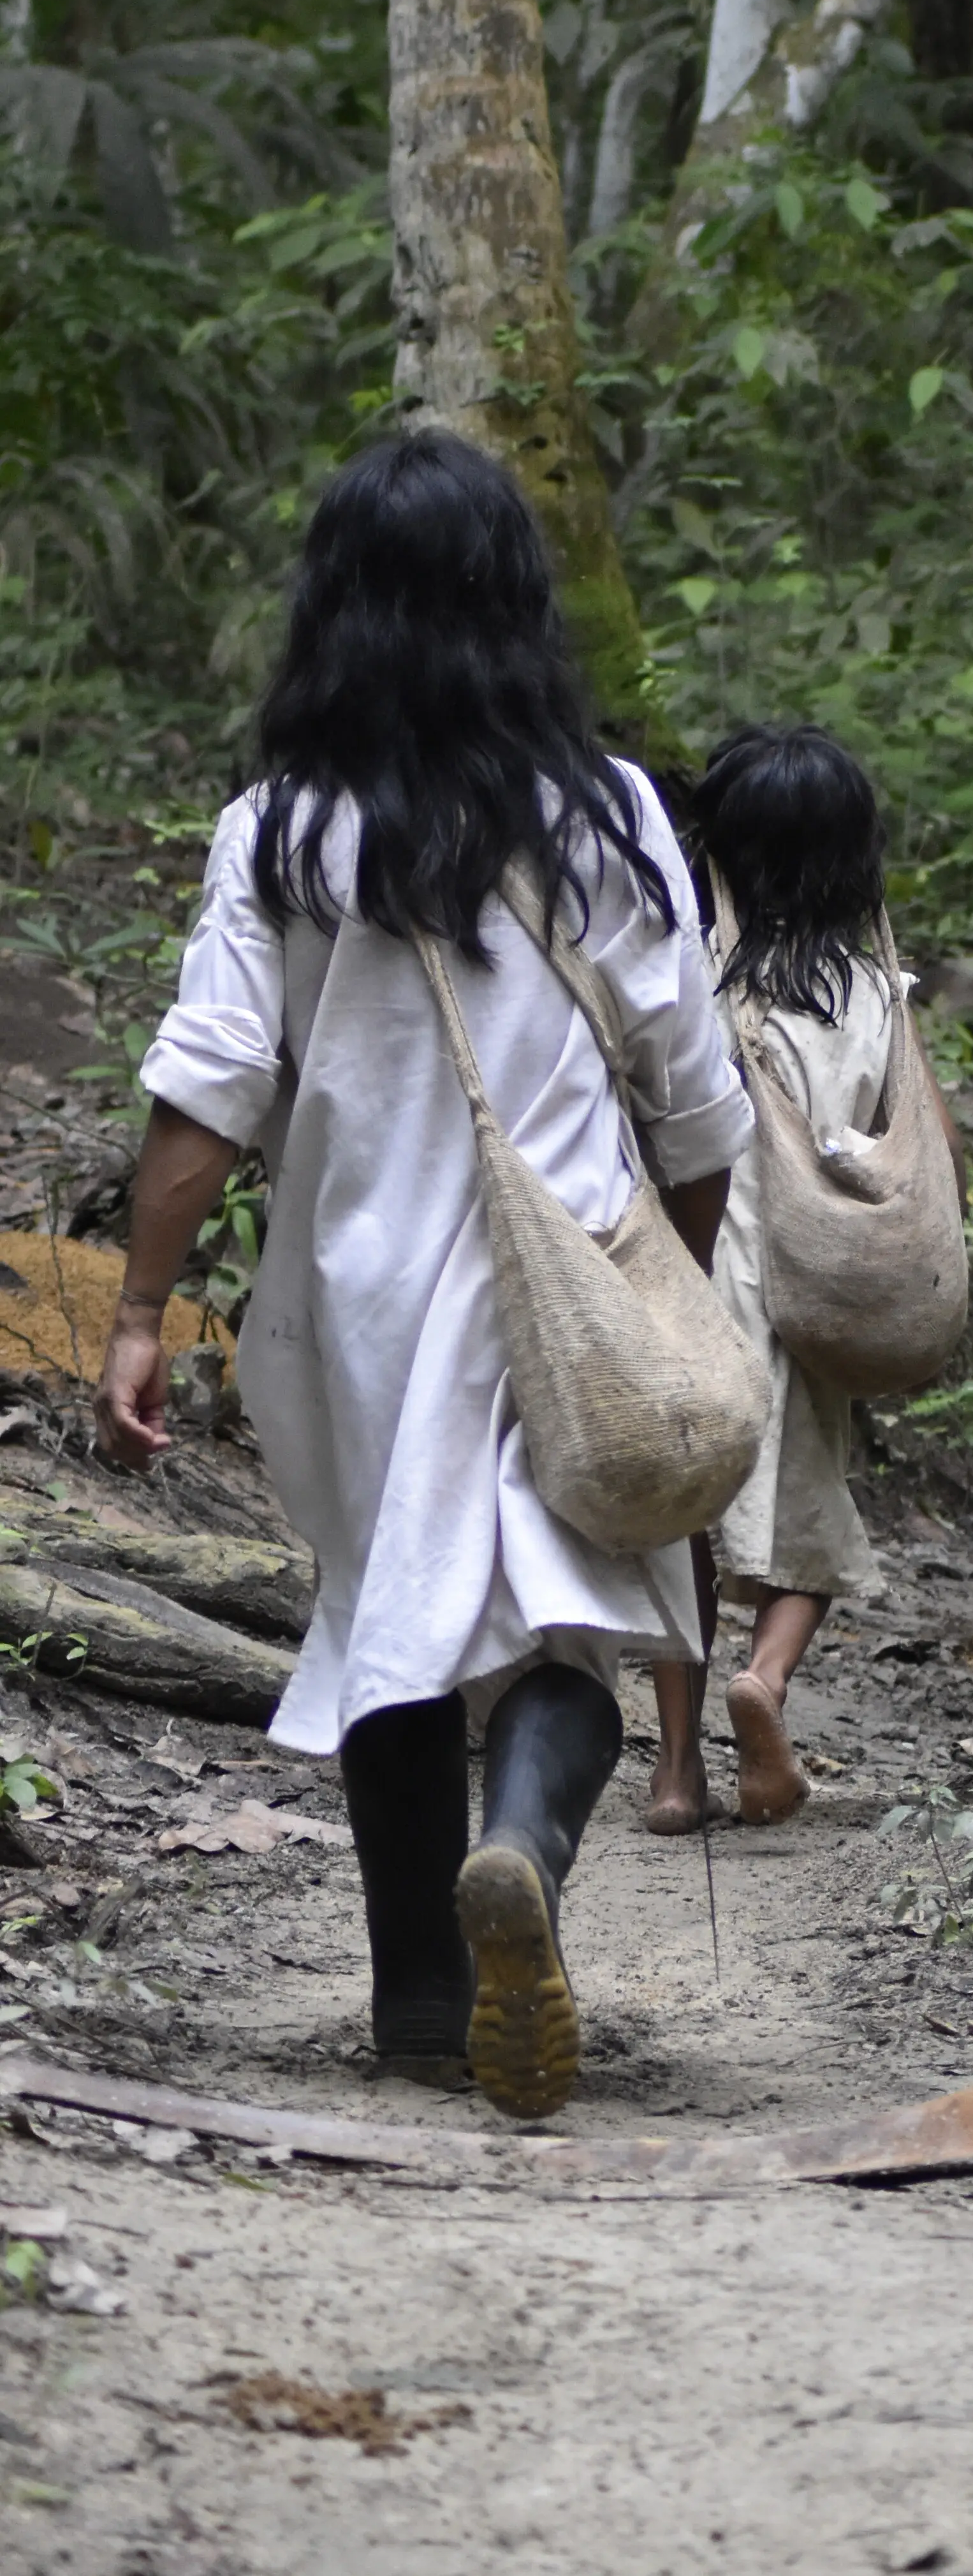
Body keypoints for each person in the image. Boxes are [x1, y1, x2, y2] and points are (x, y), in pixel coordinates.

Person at [92, 432, 754, 2121]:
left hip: (359, 1295)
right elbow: (694, 1097)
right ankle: (523, 1842)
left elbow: (206, 1098)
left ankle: (412, 1998)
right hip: (573, 1279)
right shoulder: (616, 818)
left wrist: (136, 1311)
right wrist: (665, 1287)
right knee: (576, 1626)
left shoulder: (279, 832)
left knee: (387, 1617)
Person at [646, 722, 899, 1838]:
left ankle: (671, 1771)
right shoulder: (875, 993)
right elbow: (899, 1137)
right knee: (814, 1506)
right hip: (818, 1285)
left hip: (694, 1272)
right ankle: (771, 1683)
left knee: (684, 1522)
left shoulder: (688, 976)